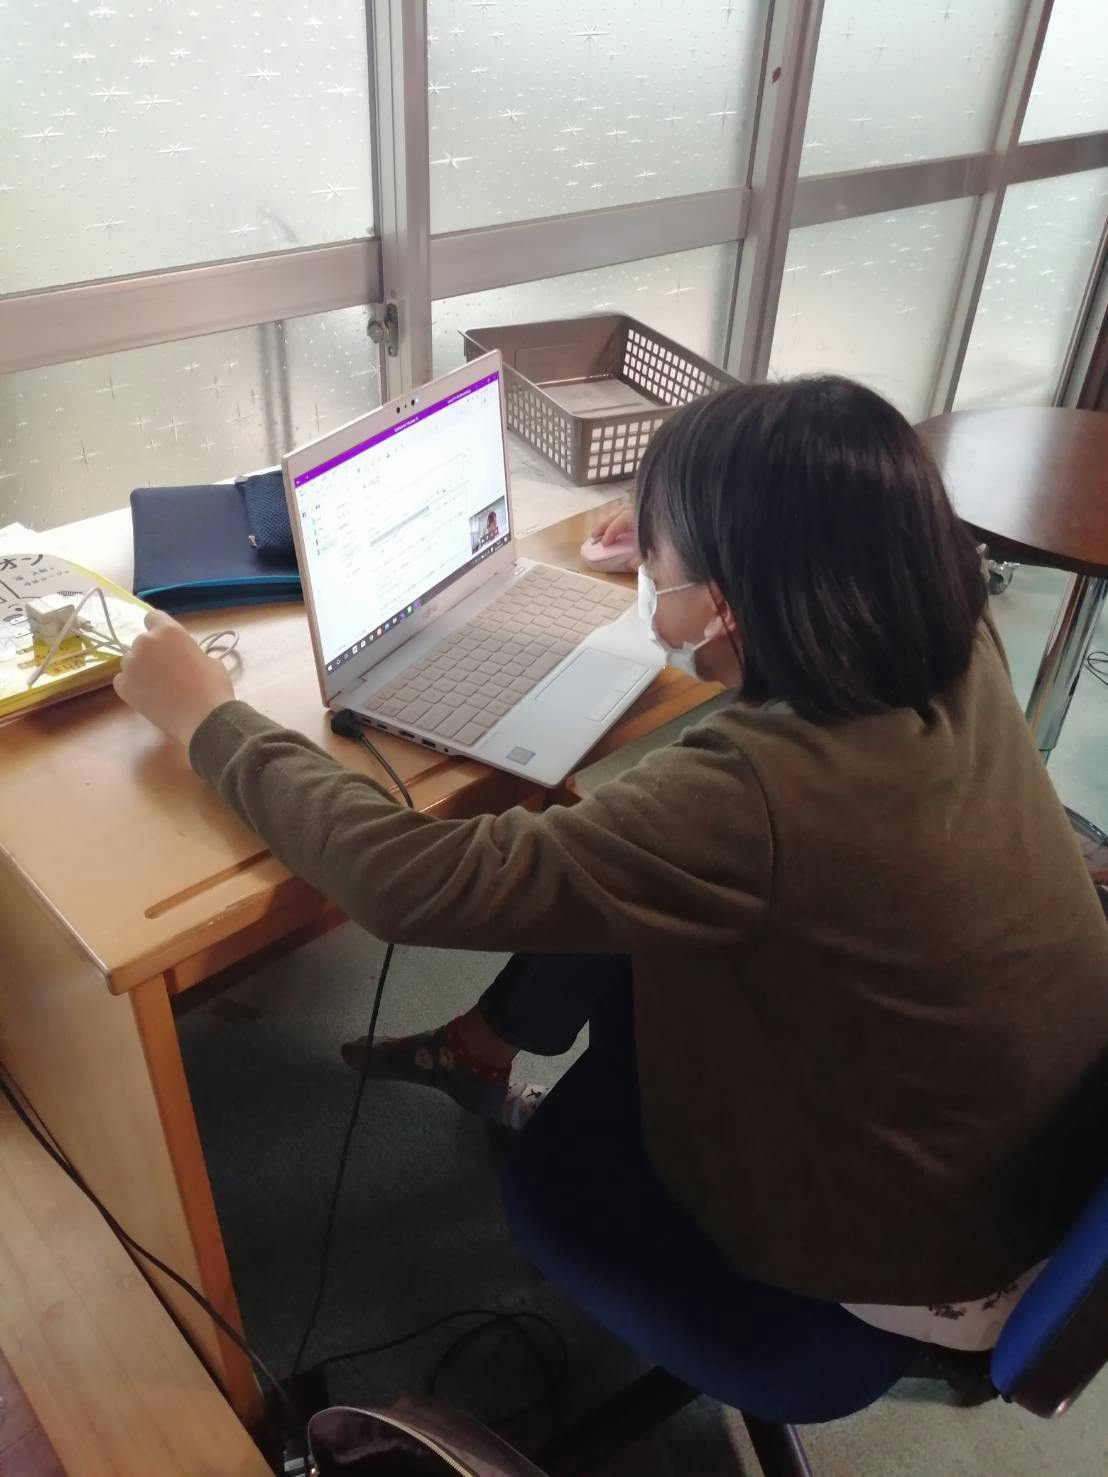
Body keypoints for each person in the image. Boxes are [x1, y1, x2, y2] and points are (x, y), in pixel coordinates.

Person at [114, 376, 1108, 1353]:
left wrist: (210, 718)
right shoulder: (943, 621)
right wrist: (693, 541)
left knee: (613, 863)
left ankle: (500, 1075)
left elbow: (406, 881)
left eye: (662, 570)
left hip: (911, 1247)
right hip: (1030, 1153)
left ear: (725, 606)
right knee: (612, 855)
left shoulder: (752, 798)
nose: (650, 592)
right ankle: (482, 1043)